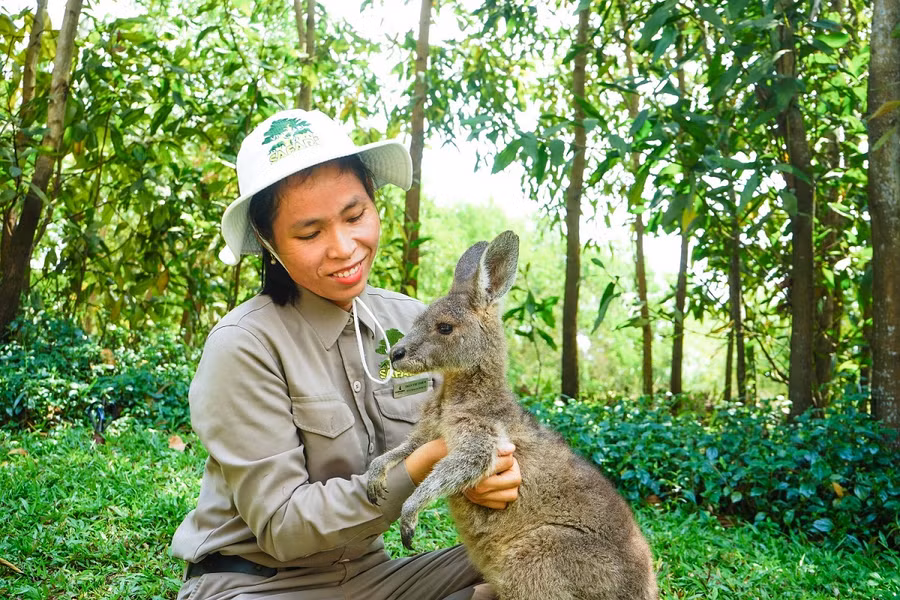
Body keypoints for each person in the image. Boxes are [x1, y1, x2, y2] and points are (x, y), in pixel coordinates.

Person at [170, 109, 521, 600]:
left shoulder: (413, 324)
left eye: (355, 216)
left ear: (373, 203)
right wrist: (428, 460)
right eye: (309, 233)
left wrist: (490, 473)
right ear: (269, 242)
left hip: (372, 577)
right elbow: (283, 527)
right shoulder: (245, 344)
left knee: (545, 558)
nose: (343, 247)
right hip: (256, 584)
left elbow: (479, 424)